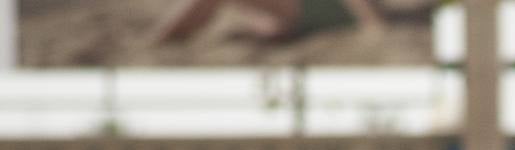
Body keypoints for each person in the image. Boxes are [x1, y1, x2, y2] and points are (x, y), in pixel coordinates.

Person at [154, 0, 384, 44]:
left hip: (324, 9)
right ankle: (167, 37)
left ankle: (165, 37)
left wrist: (370, 22)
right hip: (313, 14)